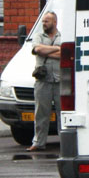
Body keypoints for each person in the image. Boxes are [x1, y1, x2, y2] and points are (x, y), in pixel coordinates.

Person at [28, 11, 61, 151]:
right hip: (43, 81)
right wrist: (57, 49)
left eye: (47, 21)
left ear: (54, 22)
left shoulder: (62, 36)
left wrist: (48, 51)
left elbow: (65, 54)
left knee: (62, 113)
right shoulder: (38, 36)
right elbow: (37, 49)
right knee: (41, 112)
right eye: (43, 21)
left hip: (60, 80)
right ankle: (38, 142)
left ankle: (64, 142)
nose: (44, 24)